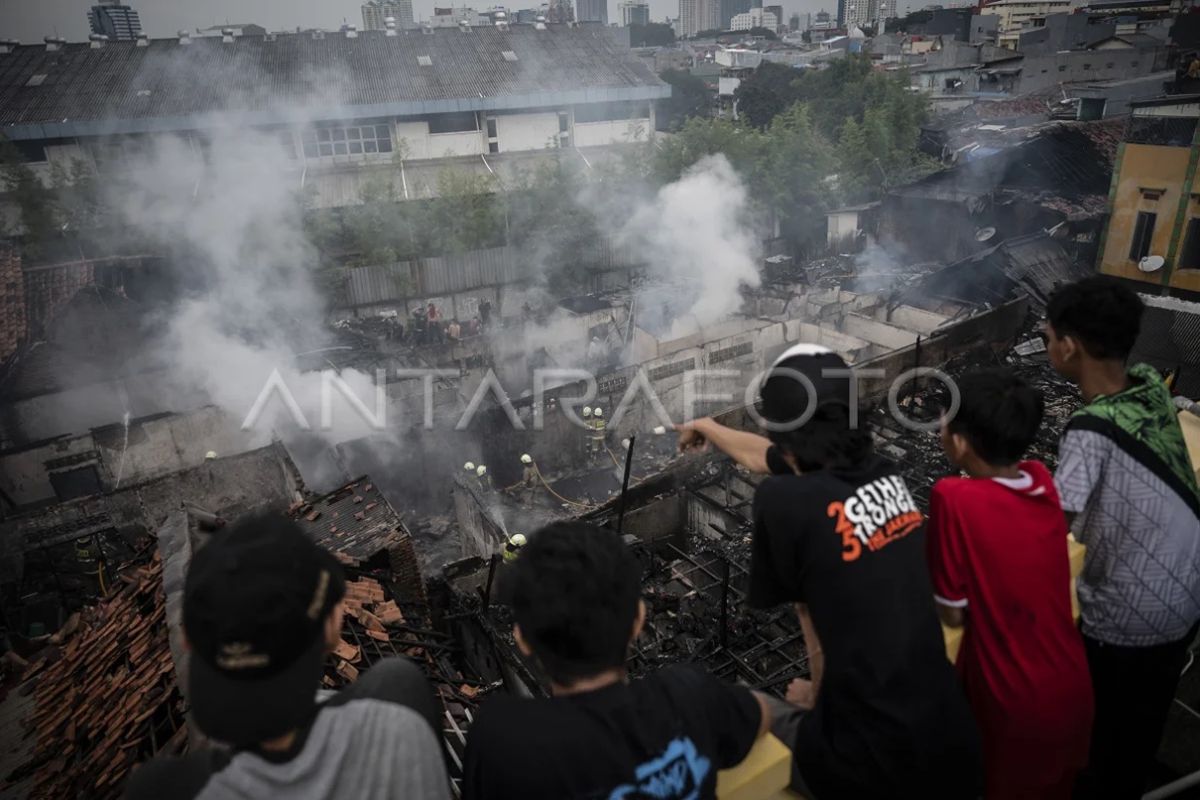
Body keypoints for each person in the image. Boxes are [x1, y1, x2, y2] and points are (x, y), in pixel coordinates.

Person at [677, 344, 982, 798]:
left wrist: (818, 703)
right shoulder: (881, 472)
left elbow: (809, 621)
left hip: (870, 764)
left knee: (731, 707)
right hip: (953, 738)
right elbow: (766, 457)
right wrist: (709, 428)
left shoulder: (784, 502)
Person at [123, 514, 448, 800]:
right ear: (332, 631)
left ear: (188, 641)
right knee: (396, 676)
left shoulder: (159, 789)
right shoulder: (404, 719)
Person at [463, 522, 771, 799]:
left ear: (522, 639)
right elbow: (763, 715)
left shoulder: (500, 741)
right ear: (638, 619)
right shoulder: (688, 695)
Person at [1045, 277, 1200, 799]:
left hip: (1130, 619)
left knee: (1100, 744)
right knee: (1141, 727)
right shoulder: (1151, 386)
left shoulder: (1090, 431)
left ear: (1068, 346)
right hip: (1186, 597)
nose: (1047, 346)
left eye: (1048, 337)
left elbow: (1050, 525)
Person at [926, 369, 1093, 799]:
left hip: (1012, 702)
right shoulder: (1041, 480)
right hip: (1072, 686)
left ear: (960, 442)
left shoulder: (953, 497)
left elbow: (952, 610)